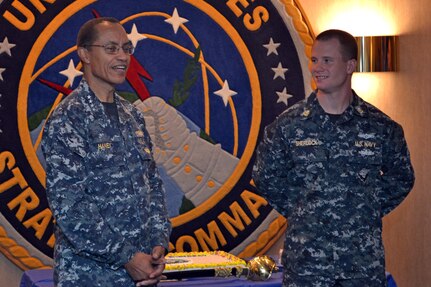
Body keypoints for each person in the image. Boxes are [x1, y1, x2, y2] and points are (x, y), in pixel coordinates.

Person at [252, 29, 415, 286]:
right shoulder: (288, 125)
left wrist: (363, 207)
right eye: (315, 60)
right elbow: (265, 177)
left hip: (362, 266)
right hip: (307, 266)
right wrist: (305, 209)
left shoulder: (381, 126)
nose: (318, 68)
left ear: (350, 65)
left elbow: (402, 178)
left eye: (327, 60)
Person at [42, 17, 171, 287]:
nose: (123, 57)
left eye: (127, 49)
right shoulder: (69, 118)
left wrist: (158, 242)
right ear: (85, 54)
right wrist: (128, 258)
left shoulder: (132, 115)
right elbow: (71, 208)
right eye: (111, 49)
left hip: (143, 273)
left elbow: (153, 184)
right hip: (90, 276)